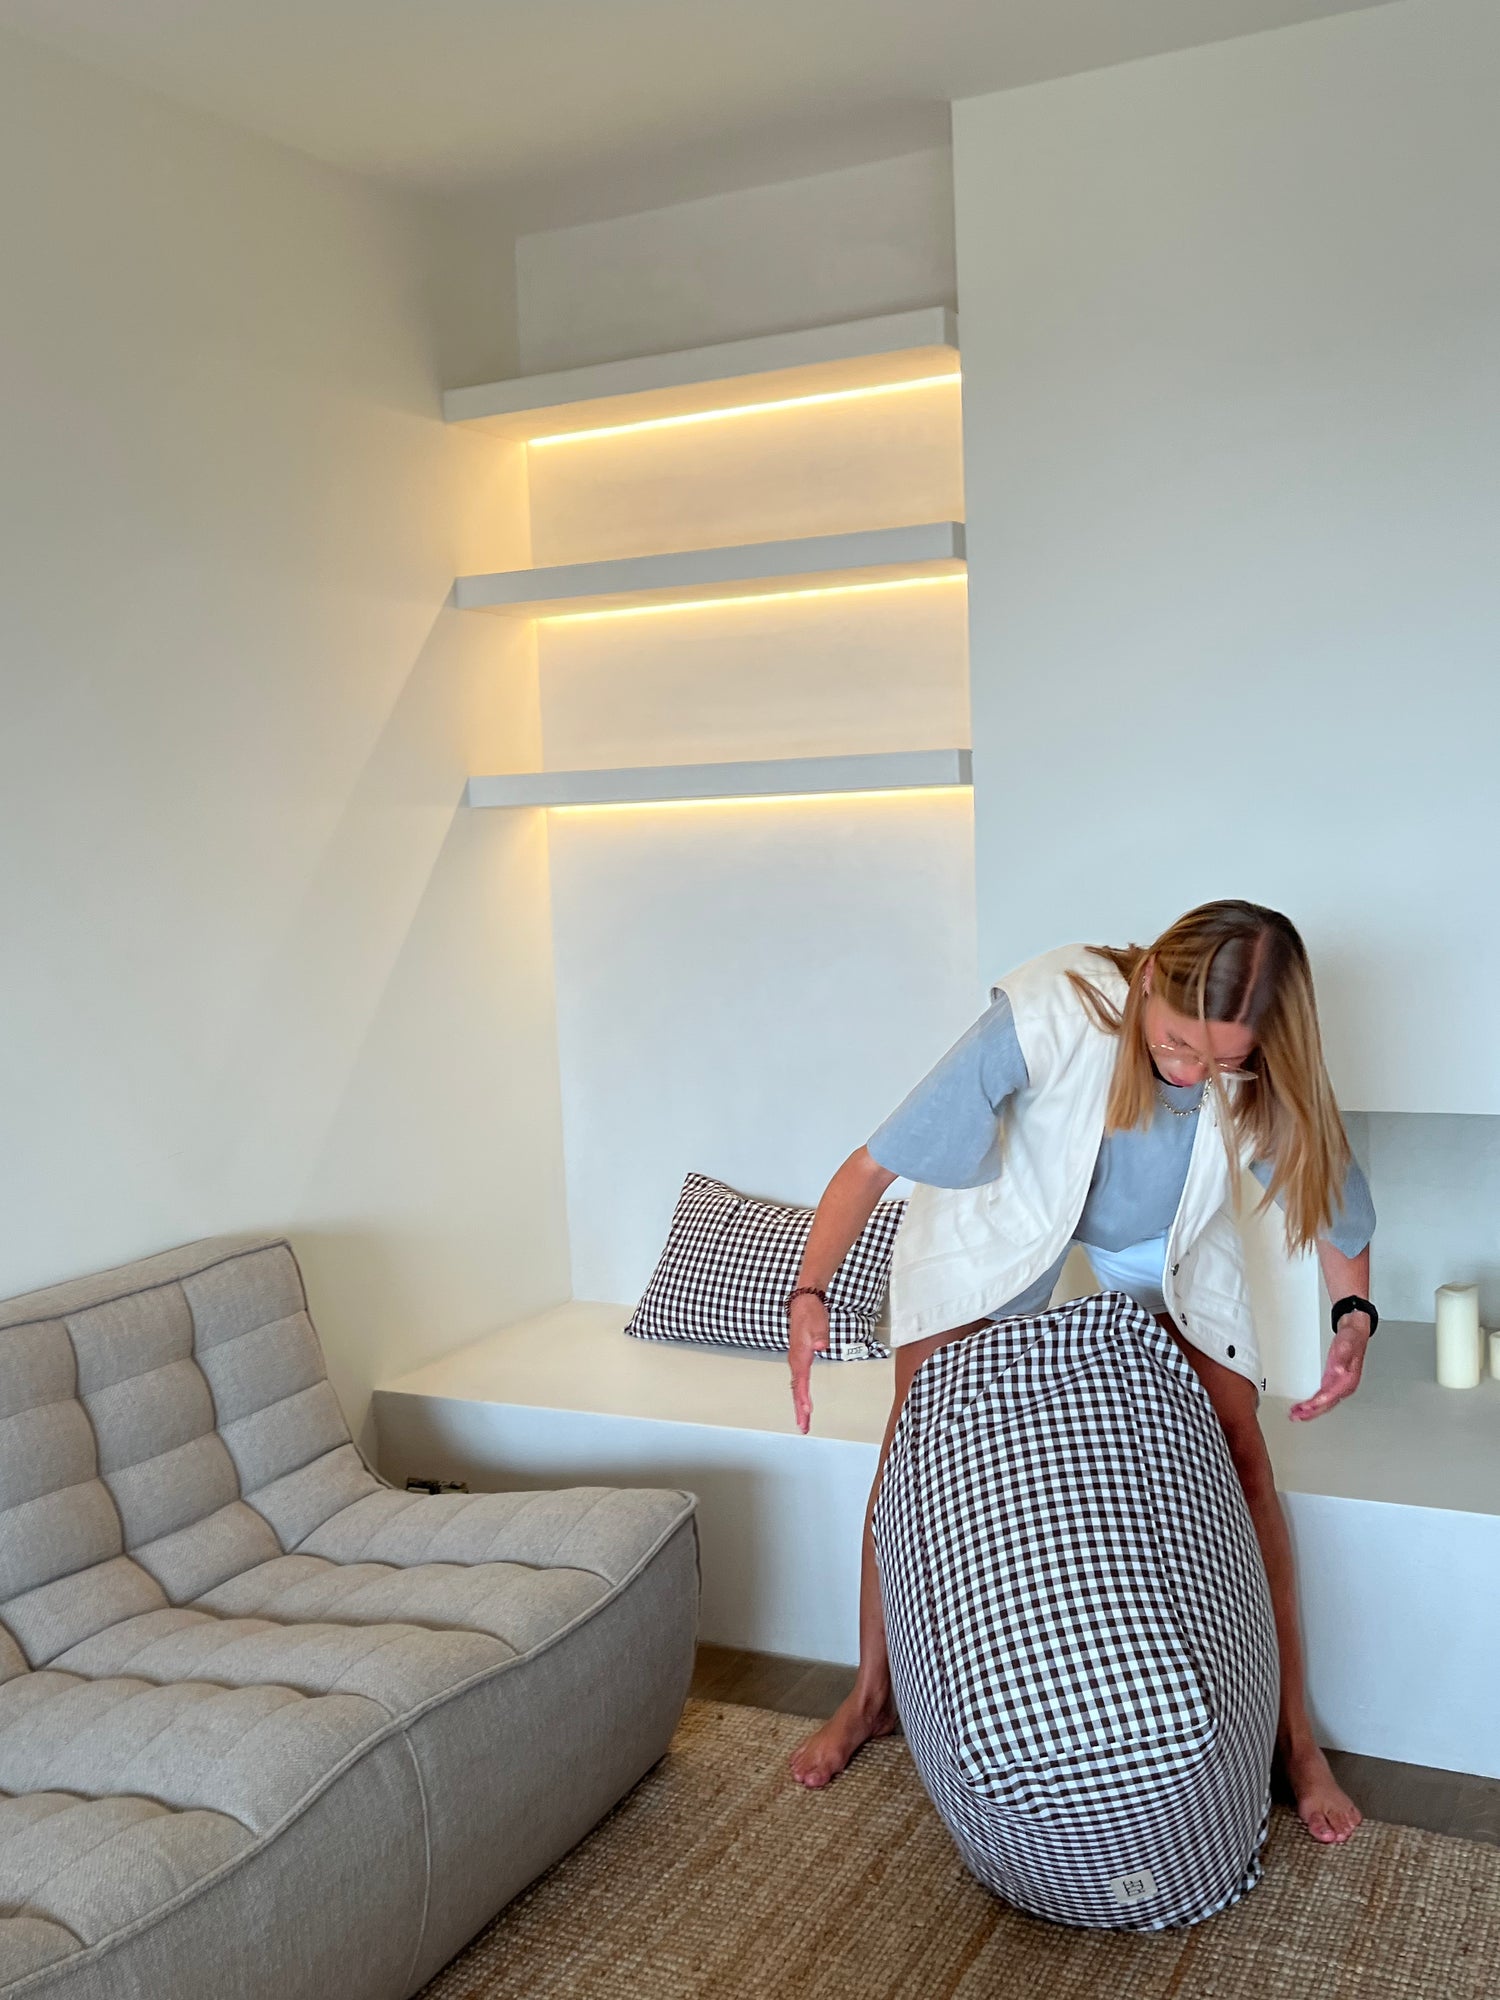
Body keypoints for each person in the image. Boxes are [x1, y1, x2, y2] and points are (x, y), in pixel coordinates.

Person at [785, 902, 1376, 1846]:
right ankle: (870, 1697)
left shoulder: (1259, 1068)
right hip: (1008, 1221)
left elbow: (1333, 1203)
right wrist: (810, 1290)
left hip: (1157, 1245)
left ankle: (1293, 1741)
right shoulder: (1051, 1008)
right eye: (1177, 1044)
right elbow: (874, 1164)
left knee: (1243, 1454)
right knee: (911, 1449)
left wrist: (1353, 1319)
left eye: (1221, 1061)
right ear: (1147, 983)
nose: (1192, 1074)